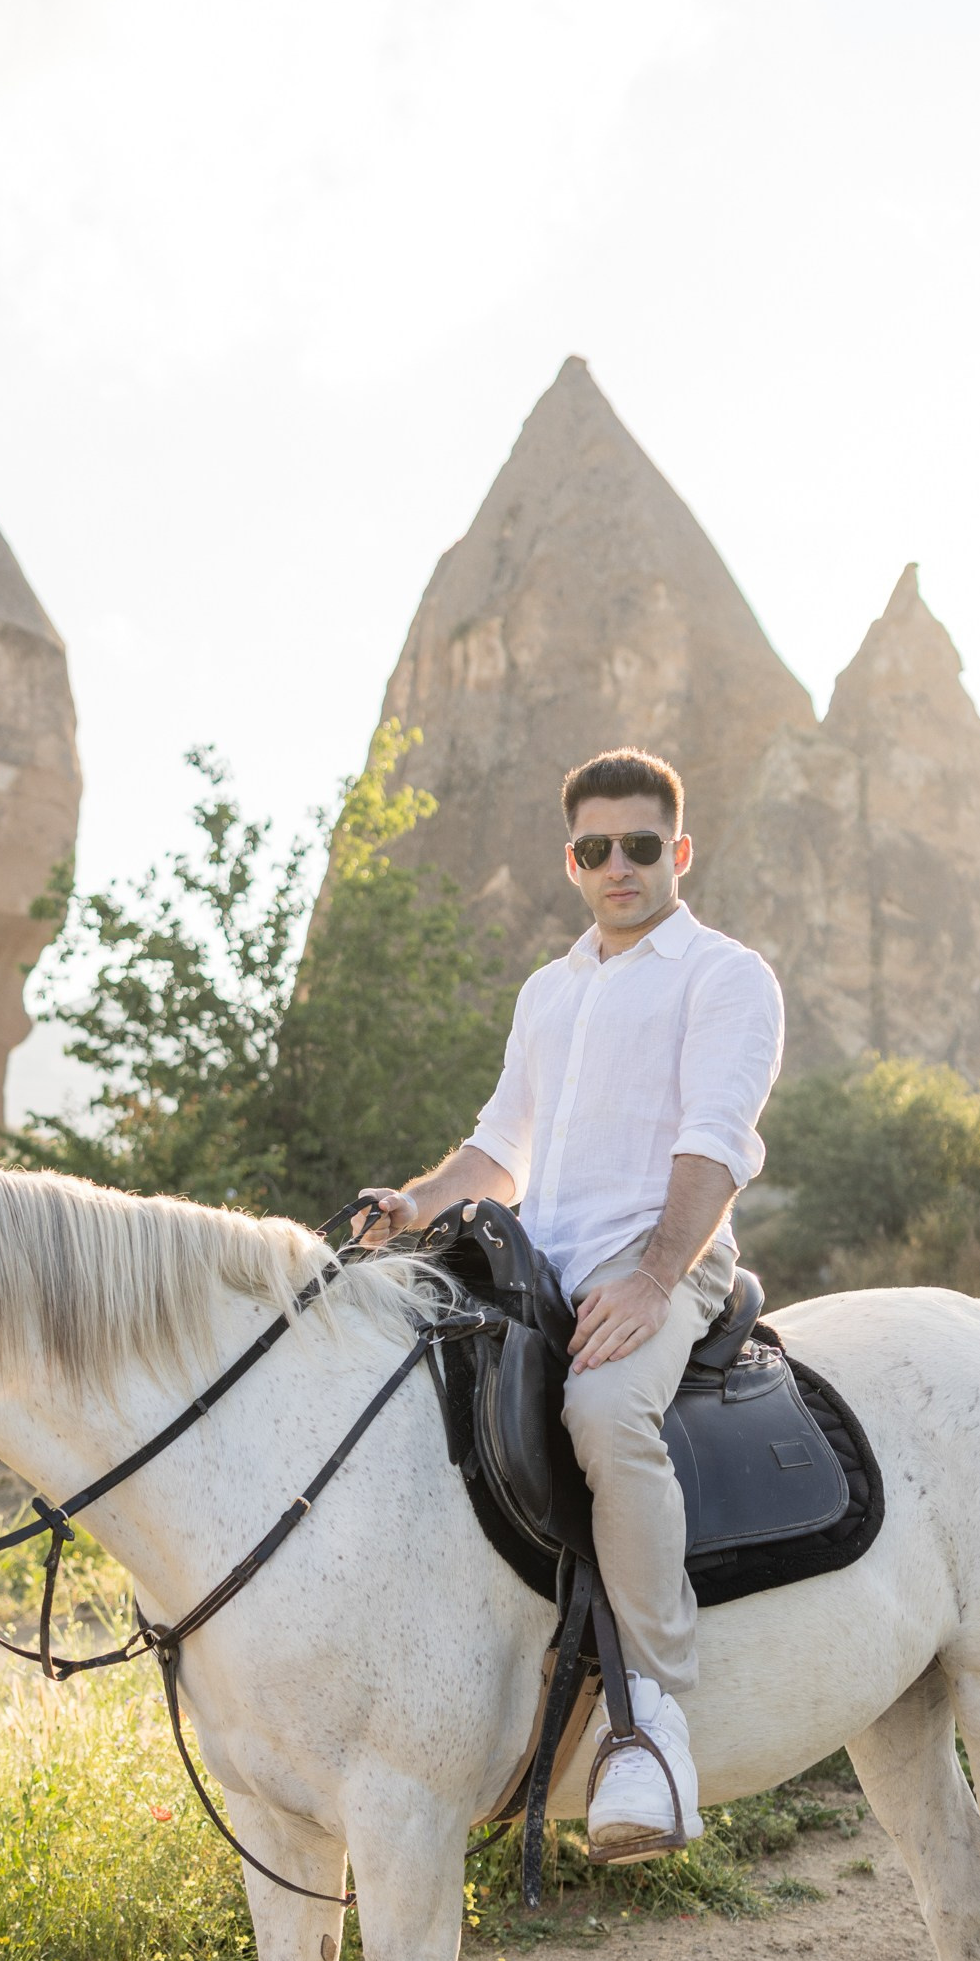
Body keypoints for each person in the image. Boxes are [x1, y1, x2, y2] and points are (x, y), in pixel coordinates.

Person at [360, 747, 784, 1859]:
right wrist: (412, 1204)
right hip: (536, 1265)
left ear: (677, 851)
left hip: (658, 1257)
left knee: (602, 1413)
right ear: (571, 862)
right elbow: (499, 1146)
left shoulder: (724, 976)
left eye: (640, 845)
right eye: (595, 849)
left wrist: (652, 1278)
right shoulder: (548, 992)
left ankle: (651, 1718)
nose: (618, 866)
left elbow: (716, 1140)